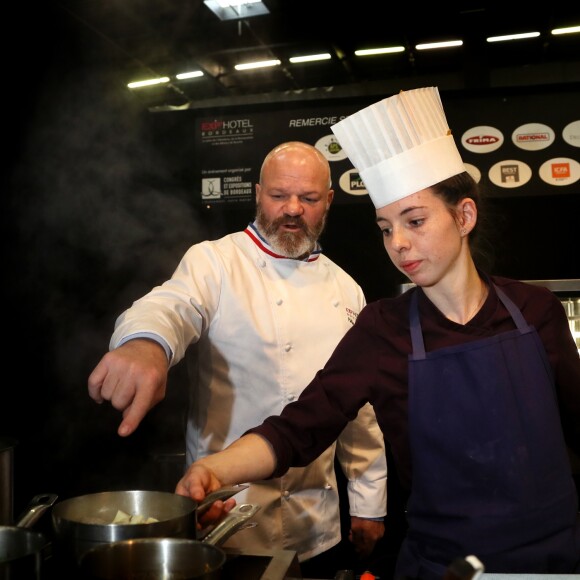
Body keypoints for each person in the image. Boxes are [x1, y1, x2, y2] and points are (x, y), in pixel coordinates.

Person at [174, 87, 580, 579]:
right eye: (386, 227)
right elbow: (299, 427)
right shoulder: (383, 328)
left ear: (464, 215)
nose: (399, 243)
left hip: (556, 560)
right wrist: (215, 469)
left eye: (415, 221)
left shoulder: (535, 311)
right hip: (442, 566)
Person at [87, 141, 387, 575]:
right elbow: (174, 304)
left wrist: (369, 503)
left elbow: (359, 410)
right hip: (224, 514)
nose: (292, 209)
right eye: (279, 195)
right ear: (257, 193)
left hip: (317, 523)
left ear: (329, 202)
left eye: (308, 198)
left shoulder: (347, 289)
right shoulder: (215, 261)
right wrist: (146, 344)